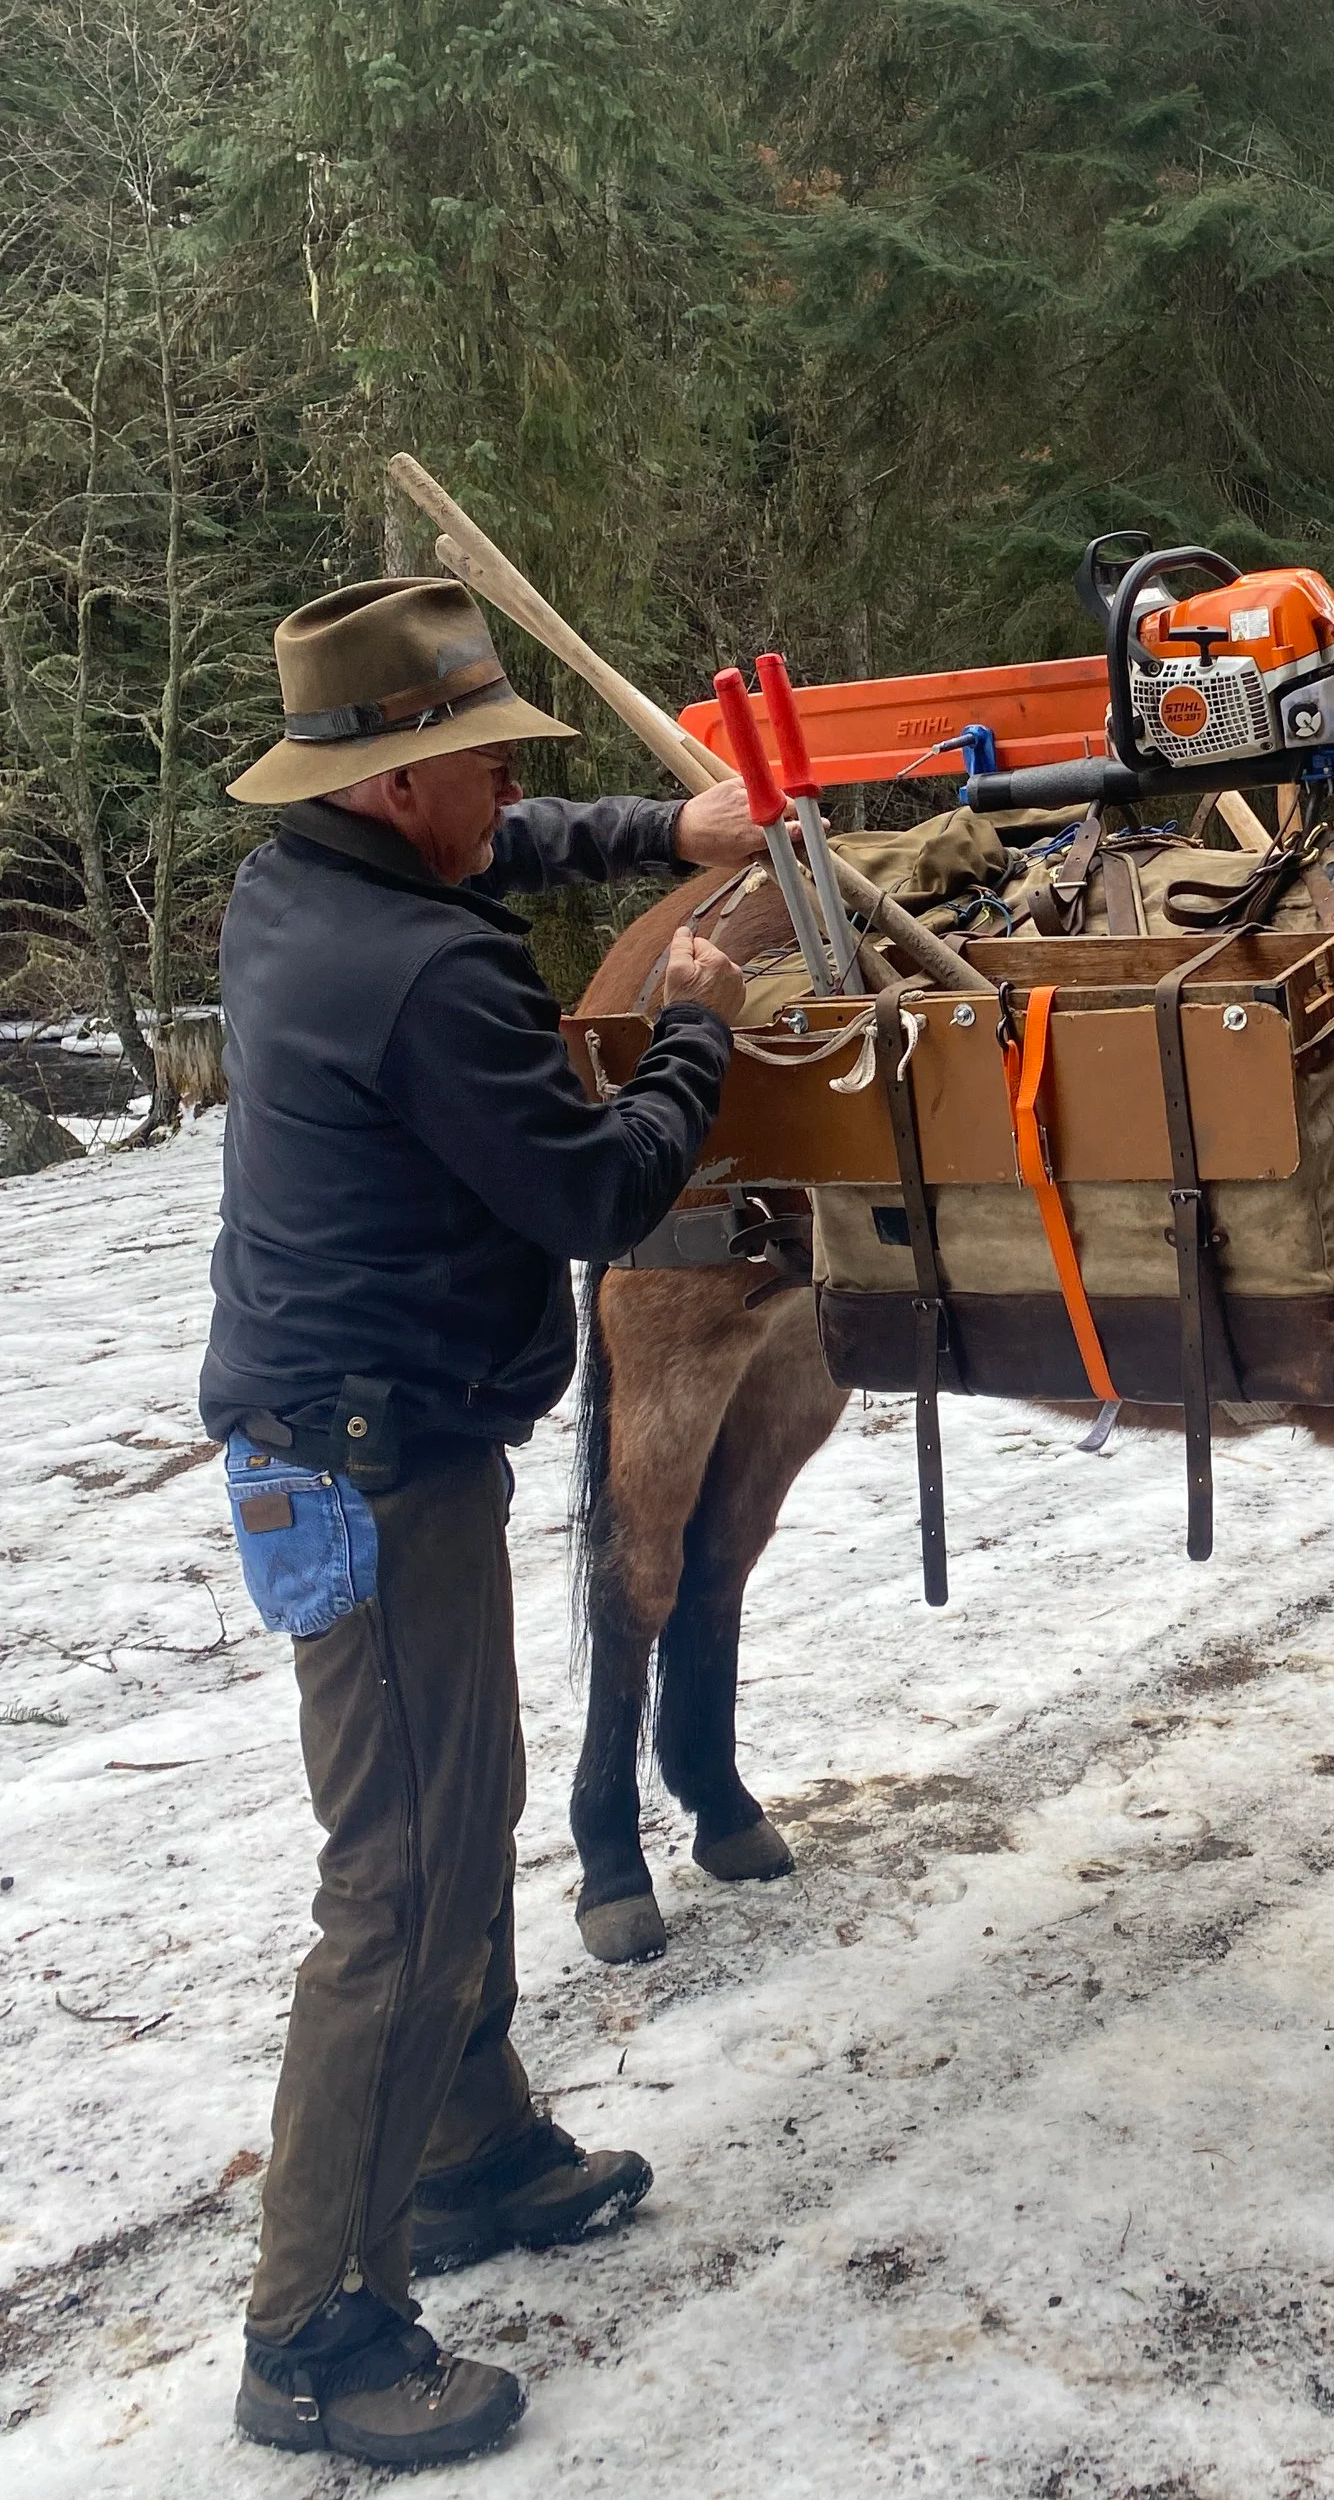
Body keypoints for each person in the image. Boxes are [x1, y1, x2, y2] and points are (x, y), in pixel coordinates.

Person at [203, 578, 769, 2466]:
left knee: (459, 1814)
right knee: (406, 1880)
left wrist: (661, 834)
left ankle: (466, 2150)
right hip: (376, 1464)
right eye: (480, 758)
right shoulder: (428, 979)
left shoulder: (310, 888)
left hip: (344, 1435)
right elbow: (602, 1194)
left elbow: (502, 849)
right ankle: (318, 2336)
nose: (509, 782)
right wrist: (697, 1033)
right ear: (395, 787)